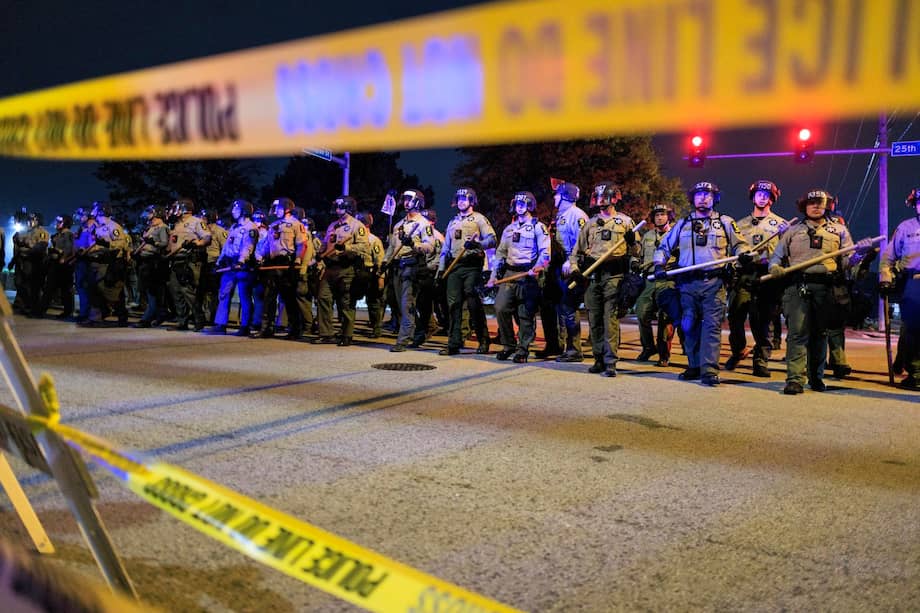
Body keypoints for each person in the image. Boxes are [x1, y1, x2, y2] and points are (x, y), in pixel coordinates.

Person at [768, 189, 874, 394]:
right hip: (798, 285)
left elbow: (847, 264)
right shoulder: (792, 231)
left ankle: (816, 378)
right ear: (804, 206)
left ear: (827, 206)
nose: (816, 206)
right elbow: (776, 257)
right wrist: (774, 268)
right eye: (812, 202)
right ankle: (795, 379)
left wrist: (859, 254)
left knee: (820, 334)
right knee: (797, 334)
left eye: (821, 202)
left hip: (827, 288)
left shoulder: (839, 230)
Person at [653, 182, 750, 386]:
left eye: (708, 195)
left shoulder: (725, 222)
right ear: (693, 199)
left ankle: (709, 370)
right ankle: (694, 365)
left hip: (714, 283)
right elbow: (664, 246)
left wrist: (743, 255)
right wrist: (659, 264)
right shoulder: (683, 223)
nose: (703, 198)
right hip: (687, 284)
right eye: (699, 195)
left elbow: (740, 244)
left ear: (715, 198)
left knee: (712, 328)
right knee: (688, 326)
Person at [567, 181, 639, 377]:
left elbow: (637, 252)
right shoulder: (590, 224)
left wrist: (633, 245)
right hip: (593, 277)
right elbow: (576, 253)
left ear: (614, 198)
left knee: (611, 320)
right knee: (594, 319)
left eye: (604, 198)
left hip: (614, 277)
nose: (601, 202)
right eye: (598, 198)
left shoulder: (625, 222)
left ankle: (610, 362)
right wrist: (575, 270)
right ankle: (598, 358)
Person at [725, 180, 789, 377]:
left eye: (766, 194)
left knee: (762, 320)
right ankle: (738, 350)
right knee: (735, 314)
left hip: (767, 274)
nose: (762, 197)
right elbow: (731, 249)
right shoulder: (739, 224)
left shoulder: (782, 225)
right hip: (744, 273)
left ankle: (761, 359)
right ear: (753, 197)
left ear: (772, 199)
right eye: (758, 194)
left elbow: (787, 252)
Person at [487, 191, 551, 363]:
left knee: (525, 313)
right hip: (509, 273)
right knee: (500, 307)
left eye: (523, 203)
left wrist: (538, 267)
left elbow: (545, 252)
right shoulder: (509, 229)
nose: (519, 206)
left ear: (530, 205)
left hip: (528, 274)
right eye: (517, 203)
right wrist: (493, 276)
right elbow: (500, 253)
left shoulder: (538, 227)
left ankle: (523, 349)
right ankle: (508, 345)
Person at [437, 187, 496, 355]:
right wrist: (441, 270)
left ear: (472, 201)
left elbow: (492, 239)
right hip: (454, 266)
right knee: (453, 305)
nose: (461, 201)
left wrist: (478, 244)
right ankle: (454, 343)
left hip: (473, 265)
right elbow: (445, 248)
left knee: (473, 303)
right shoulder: (452, 222)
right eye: (459, 198)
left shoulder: (479, 219)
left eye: (465, 198)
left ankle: (483, 340)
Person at [314, 196, 371, 346]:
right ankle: (326, 334)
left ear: (348, 207)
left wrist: (346, 248)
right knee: (323, 297)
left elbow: (364, 247)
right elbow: (326, 243)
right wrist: (320, 252)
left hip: (347, 267)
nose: (337, 208)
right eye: (336, 205)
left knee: (346, 302)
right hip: (330, 267)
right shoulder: (333, 225)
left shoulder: (357, 226)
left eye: (340, 205)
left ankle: (347, 335)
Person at [879, 187, 920, 391]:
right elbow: (888, 257)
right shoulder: (906, 228)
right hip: (914, 283)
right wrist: (885, 278)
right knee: (913, 328)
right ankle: (916, 372)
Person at [384, 189, 435, 352]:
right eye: (404, 199)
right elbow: (392, 247)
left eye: (409, 199)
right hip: (397, 267)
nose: (406, 202)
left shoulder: (424, 224)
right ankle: (419, 331)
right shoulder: (399, 225)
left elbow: (430, 247)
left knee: (407, 304)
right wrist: (385, 261)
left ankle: (403, 340)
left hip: (413, 267)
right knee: (399, 305)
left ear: (417, 202)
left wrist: (413, 244)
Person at [544, 179, 589, 362]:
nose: (554, 198)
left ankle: (574, 350)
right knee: (560, 307)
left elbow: (582, 242)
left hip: (571, 266)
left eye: (557, 194)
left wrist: (571, 261)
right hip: (560, 265)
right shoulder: (562, 215)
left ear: (564, 197)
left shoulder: (576, 215)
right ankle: (563, 347)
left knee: (569, 307)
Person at [635, 203, 681, 367]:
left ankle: (664, 354)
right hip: (649, 279)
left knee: (665, 317)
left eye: (663, 214)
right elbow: (638, 256)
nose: (659, 217)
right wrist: (634, 262)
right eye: (656, 215)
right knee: (641, 311)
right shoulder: (647, 236)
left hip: (669, 279)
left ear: (669, 216)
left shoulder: (678, 234)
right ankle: (648, 347)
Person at [255, 197, 307, 339]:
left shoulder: (296, 224)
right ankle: (266, 328)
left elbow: (302, 244)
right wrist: (259, 258)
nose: (275, 211)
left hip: (287, 264)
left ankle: (295, 329)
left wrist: (297, 260)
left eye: (278, 208)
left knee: (288, 298)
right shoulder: (273, 225)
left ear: (287, 209)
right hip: (272, 264)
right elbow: (267, 245)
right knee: (268, 298)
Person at [205, 199, 259, 335]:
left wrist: (241, 261)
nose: (233, 212)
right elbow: (226, 247)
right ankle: (220, 324)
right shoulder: (234, 227)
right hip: (229, 265)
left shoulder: (251, 228)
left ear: (244, 211)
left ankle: (245, 326)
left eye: (236, 209)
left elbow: (248, 246)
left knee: (244, 296)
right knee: (223, 294)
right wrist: (219, 262)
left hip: (243, 265)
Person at [79, 202, 129, 326]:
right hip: (96, 262)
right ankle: (96, 317)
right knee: (94, 290)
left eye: (95, 209)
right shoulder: (96, 226)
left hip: (109, 262)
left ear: (101, 211)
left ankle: (122, 316)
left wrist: (106, 244)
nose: (93, 212)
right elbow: (92, 242)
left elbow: (121, 244)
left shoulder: (113, 226)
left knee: (111, 291)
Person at [165, 198, 211, 331]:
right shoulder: (177, 224)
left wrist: (197, 243)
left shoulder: (196, 221)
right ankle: (182, 321)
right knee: (175, 291)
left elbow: (207, 237)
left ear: (184, 209)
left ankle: (198, 319)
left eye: (177, 207)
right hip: (175, 260)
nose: (175, 210)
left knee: (188, 291)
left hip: (188, 260)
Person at [410, 208, 444, 348]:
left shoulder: (436, 236)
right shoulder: (422, 233)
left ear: (432, 221)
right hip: (422, 271)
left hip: (432, 272)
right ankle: (428, 327)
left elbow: (438, 256)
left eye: (427, 220)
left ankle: (428, 329)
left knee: (429, 304)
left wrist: (434, 271)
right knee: (422, 304)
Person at [132, 206, 170, 328]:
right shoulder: (151, 227)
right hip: (146, 261)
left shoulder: (162, 227)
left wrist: (154, 243)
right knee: (148, 290)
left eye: (150, 213)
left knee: (152, 291)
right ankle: (157, 314)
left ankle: (149, 317)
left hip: (154, 262)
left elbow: (164, 243)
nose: (148, 215)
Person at [11, 211, 49, 317]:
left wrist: (28, 247)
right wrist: (13, 261)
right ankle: (27, 305)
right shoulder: (25, 232)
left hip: (34, 262)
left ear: (38, 221)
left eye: (33, 220)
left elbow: (41, 247)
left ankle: (34, 309)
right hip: (21, 261)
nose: (30, 222)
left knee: (33, 288)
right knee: (19, 283)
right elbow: (18, 246)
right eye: (29, 219)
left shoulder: (42, 232)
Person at [355, 211, 386, 338]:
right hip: (356, 272)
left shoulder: (374, 240)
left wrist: (381, 278)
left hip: (369, 273)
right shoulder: (355, 238)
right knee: (349, 301)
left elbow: (379, 260)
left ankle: (376, 328)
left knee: (373, 302)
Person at [41, 215, 75, 318]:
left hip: (63, 265)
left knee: (63, 290)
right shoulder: (58, 235)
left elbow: (68, 249)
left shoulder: (67, 234)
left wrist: (62, 256)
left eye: (59, 222)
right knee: (51, 288)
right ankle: (42, 309)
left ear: (65, 223)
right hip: (56, 264)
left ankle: (67, 312)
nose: (57, 224)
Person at [199, 208, 228, 326]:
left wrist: (219, 265)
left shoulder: (220, 231)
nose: (201, 220)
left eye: (203, 217)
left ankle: (213, 318)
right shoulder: (202, 231)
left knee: (214, 292)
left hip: (215, 263)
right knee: (202, 292)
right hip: (203, 263)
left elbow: (225, 248)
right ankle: (203, 317)